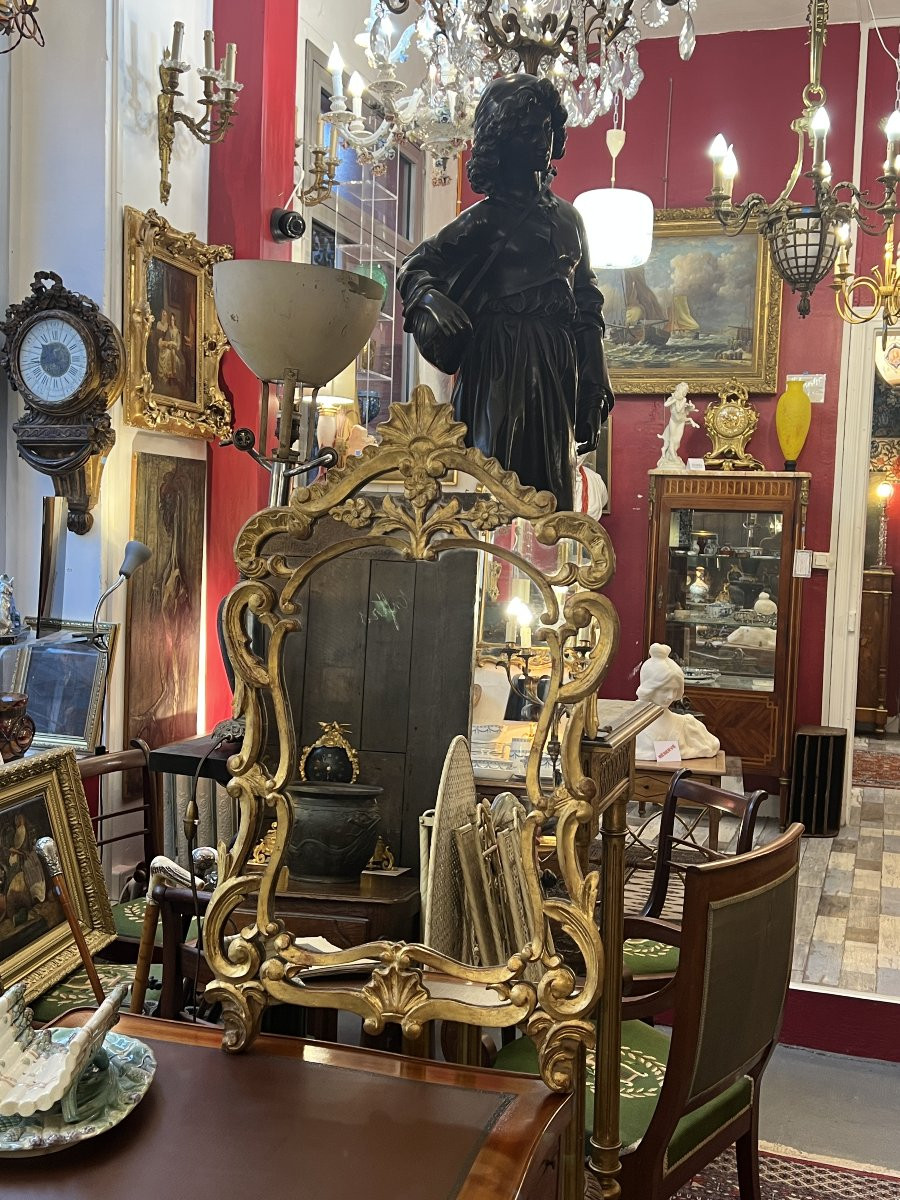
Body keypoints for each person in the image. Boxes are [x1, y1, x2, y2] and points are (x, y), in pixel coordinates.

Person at [397, 74, 614, 509]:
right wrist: (431, 298)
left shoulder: (571, 219)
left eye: (547, 128)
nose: (541, 140)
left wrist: (594, 379)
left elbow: (587, 305)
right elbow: (415, 268)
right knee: (492, 486)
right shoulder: (484, 220)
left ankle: (541, 574)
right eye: (528, 131)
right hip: (498, 364)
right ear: (503, 139)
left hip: (555, 365)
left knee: (551, 491)